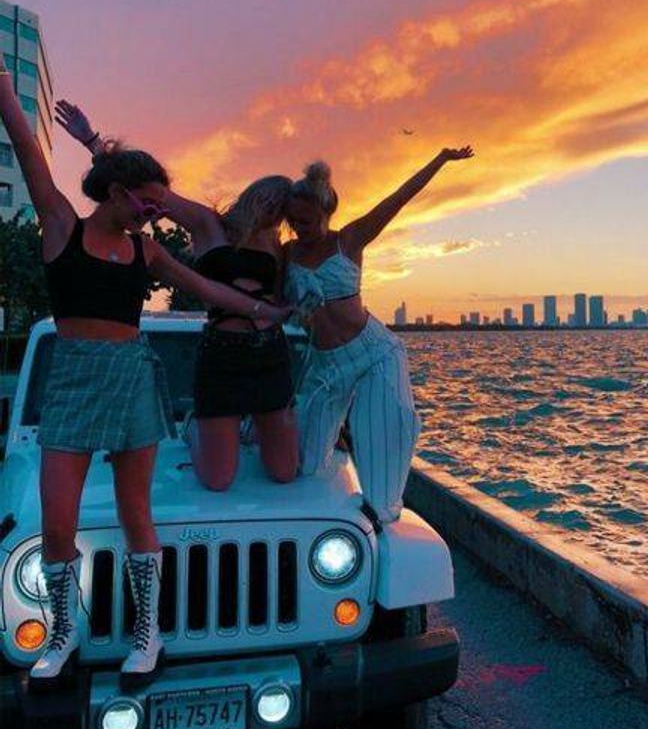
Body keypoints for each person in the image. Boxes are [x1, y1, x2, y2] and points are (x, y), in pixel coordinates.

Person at [0, 74, 290, 686]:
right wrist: (4, 84)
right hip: (74, 381)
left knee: (137, 510)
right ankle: (61, 630)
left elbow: (205, 288)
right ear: (116, 192)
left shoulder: (146, 252)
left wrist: (264, 312)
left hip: (132, 376)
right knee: (57, 520)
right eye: (148, 202)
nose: (156, 213)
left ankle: (148, 632)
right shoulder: (61, 225)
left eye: (161, 205)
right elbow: (27, 150)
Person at [55, 101, 297, 491]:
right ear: (253, 195)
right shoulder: (209, 225)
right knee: (218, 481)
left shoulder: (279, 246)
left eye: (282, 208)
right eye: (269, 200)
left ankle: (251, 421)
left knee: (284, 472)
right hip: (223, 352)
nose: (274, 211)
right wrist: (92, 141)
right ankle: (196, 429)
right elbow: (147, 194)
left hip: (271, 352)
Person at [284, 148, 474, 522]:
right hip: (326, 366)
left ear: (325, 213)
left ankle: (381, 531)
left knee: (386, 463)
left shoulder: (349, 240)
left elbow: (400, 198)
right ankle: (337, 454)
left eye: (306, 222)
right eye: (293, 222)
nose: (299, 229)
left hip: (374, 353)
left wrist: (440, 159)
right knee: (304, 465)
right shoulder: (286, 254)